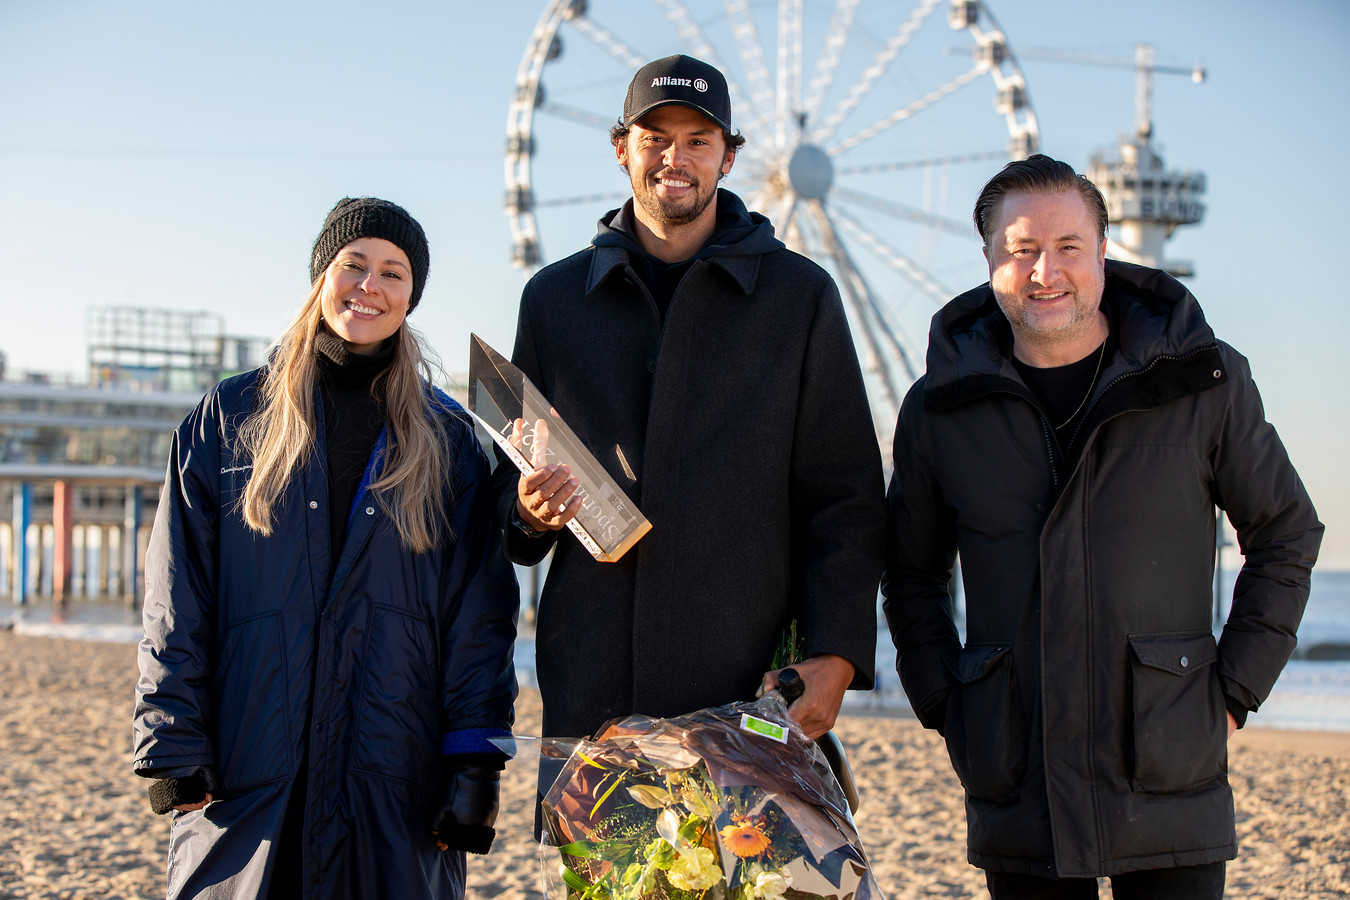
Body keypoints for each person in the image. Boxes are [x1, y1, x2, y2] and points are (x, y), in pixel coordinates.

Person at [882, 155, 1323, 899]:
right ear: (988, 260)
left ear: (1103, 253)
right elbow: (910, 572)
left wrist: (1233, 693)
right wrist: (946, 701)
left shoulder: (1203, 381)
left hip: (1170, 764)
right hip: (1014, 764)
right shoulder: (940, 407)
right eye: (1021, 250)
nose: (1045, 272)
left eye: (1068, 247)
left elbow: (1285, 534)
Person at [132, 197, 519, 899]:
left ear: (411, 297)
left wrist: (477, 765)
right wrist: (172, 740)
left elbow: (479, 617)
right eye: (354, 264)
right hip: (249, 765)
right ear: (321, 275)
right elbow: (178, 593)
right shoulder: (230, 417)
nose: (370, 285)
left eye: (394, 273)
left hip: (393, 772)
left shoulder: (450, 440)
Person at [496, 54, 885, 743]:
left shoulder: (800, 298)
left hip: (750, 695)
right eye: (655, 139)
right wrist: (528, 514)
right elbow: (509, 490)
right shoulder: (553, 301)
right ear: (622, 149)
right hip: (591, 694)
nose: (675, 159)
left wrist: (839, 653)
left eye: (698, 141)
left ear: (729, 157)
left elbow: (844, 495)